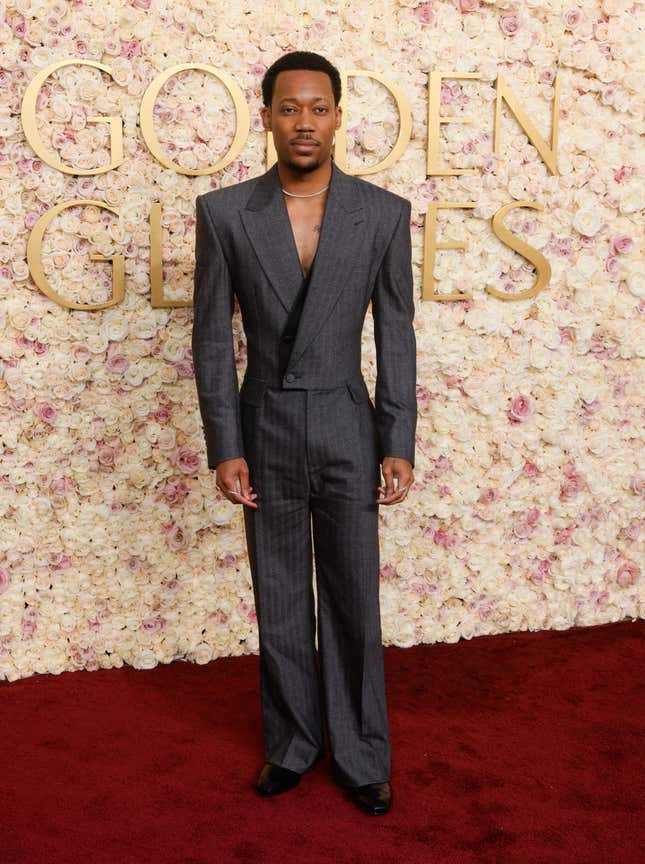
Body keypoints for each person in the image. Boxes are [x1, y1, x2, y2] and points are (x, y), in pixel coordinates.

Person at [192, 51, 416, 816]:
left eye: (318, 108)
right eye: (289, 108)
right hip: (265, 429)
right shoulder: (225, 213)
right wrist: (225, 444)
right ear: (265, 117)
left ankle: (360, 756)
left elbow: (396, 333)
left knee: (354, 596)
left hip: (350, 428)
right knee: (280, 594)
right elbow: (213, 339)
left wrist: (398, 438)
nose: (304, 122)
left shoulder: (381, 213)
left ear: (339, 116)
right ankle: (290, 746)